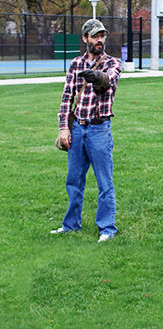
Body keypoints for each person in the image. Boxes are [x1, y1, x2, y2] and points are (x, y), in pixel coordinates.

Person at [52, 18, 122, 242]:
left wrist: (98, 77)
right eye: (95, 36)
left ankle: (107, 229)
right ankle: (71, 225)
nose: (100, 39)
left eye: (102, 35)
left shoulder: (112, 63)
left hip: (99, 129)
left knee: (105, 182)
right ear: (85, 39)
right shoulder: (75, 64)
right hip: (77, 128)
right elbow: (66, 99)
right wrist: (64, 128)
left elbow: (109, 81)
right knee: (73, 181)